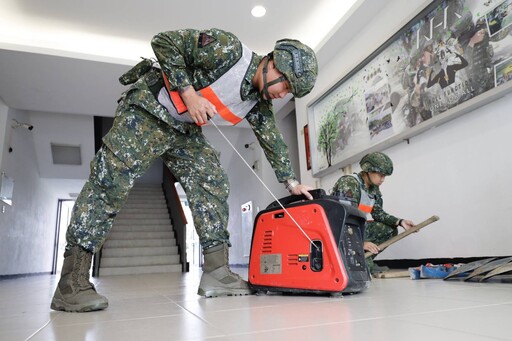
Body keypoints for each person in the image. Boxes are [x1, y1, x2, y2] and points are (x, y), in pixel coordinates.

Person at [50, 28, 318, 312]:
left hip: (182, 129)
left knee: (211, 180)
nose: (283, 94)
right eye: (286, 87)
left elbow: (272, 139)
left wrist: (292, 183)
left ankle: (217, 272)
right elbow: (163, 41)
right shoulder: (227, 49)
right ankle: (71, 284)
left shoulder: (258, 102)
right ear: (275, 64)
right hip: (148, 108)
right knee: (110, 181)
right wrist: (189, 95)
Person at [331, 152, 415, 273]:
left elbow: (378, 213)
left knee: (391, 229)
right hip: (340, 231)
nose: (383, 179)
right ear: (368, 170)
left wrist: (400, 222)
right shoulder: (350, 183)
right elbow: (343, 219)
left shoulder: (373, 188)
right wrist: (361, 243)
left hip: (357, 228)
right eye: (380, 175)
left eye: (384, 176)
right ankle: (355, 262)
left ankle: (366, 260)